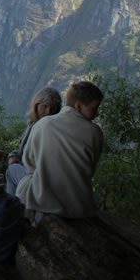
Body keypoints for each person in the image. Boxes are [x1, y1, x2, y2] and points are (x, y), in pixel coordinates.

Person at [15, 81, 104, 221]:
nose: (97, 114)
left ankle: (13, 219)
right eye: (94, 108)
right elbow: (90, 169)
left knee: (15, 174)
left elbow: (29, 164)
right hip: (79, 205)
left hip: (45, 201)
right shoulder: (95, 133)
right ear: (78, 106)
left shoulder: (43, 125)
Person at [5, 87, 62, 195]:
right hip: (33, 174)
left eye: (52, 108)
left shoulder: (49, 129)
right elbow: (24, 149)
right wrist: (13, 156)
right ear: (36, 106)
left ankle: (13, 206)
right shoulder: (33, 125)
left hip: (37, 178)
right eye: (44, 107)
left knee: (11, 171)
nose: (48, 111)